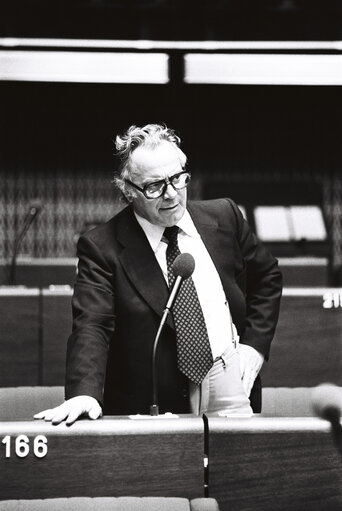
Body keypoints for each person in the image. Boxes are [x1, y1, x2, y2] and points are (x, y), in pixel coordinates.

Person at [34, 123, 282, 425]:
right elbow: (92, 324)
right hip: (151, 399)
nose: (171, 194)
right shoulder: (102, 247)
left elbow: (267, 276)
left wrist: (254, 346)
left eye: (178, 178)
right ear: (128, 190)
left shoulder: (225, 217)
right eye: (154, 186)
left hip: (229, 378)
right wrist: (84, 392)